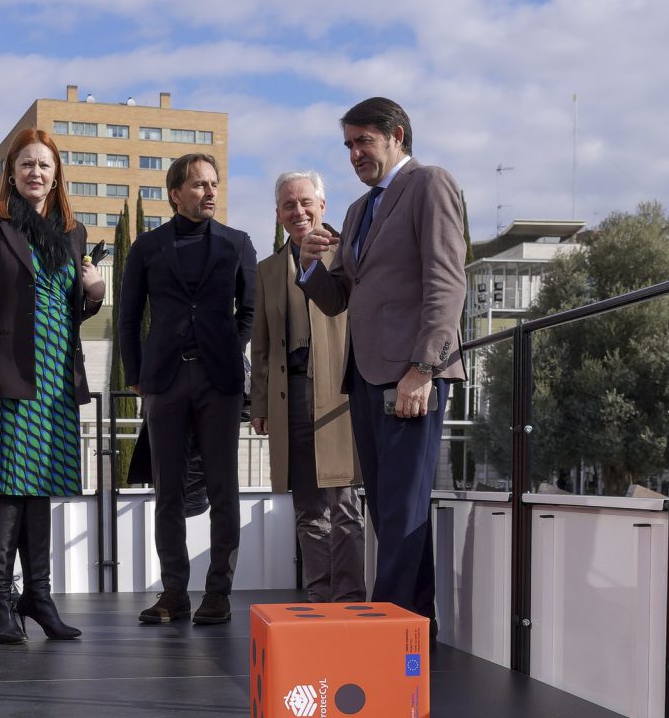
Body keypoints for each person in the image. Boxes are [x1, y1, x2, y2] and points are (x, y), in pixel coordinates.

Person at [296, 97, 468, 620]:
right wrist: (309, 267)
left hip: (411, 375)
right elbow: (340, 298)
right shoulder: (358, 209)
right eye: (348, 144)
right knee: (390, 511)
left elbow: (447, 280)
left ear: (396, 135)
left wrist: (424, 368)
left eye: (363, 141)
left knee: (402, 507)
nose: (353, 154)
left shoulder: (430, 183)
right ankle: (414, 625)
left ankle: (385, 625)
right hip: (368, 376)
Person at [0, 131, 104, 643]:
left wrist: (94, 294)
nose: (36, 173)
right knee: (6, 488)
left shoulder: (73, 231)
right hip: (5, 375)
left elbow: (69, 309)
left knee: (40, 488)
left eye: (44, 165)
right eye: (26, 165)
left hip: (56, 379)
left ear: (57, 173)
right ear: (11, 172)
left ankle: (37, 597)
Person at [118, 153, 255, 624]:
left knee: (223, 489)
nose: (210, 192)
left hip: (220, 383)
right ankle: (174, 593)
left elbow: (249, 313)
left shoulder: (238, 244)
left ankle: (218, 593)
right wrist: (135, 373)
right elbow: (129, 316)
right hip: (165, 381)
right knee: (169, 492)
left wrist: (227, 351)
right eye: (199, 185)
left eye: (214, 183)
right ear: (175, 194)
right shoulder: (147, 247)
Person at [252, 170, 368, 601]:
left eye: (305, 202)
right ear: (278, 213)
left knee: (344, 503)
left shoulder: (349, 255)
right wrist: (260, 403)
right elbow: (260, 345)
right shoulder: (267, 269)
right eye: (287, 204)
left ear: (322, 206)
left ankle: (351, 598)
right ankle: (319, 596)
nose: (297, 211)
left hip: (340, 394)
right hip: (290, 399)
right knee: (307, 506)